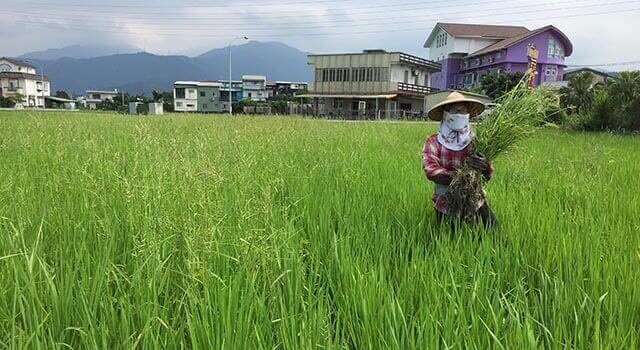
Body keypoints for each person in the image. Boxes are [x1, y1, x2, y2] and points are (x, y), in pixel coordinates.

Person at [422, 91, 499, 228]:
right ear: (445, 114)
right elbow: (430, 170)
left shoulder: (476, 141)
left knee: (493, 231)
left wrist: (485, 166)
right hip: (445, 202)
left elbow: (487, 175)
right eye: (454, 111)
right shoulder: (434, 141)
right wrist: (462, 177)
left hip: (475, 199)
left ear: (468, 114)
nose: (459, 115)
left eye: (462, 111)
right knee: (448, 239)